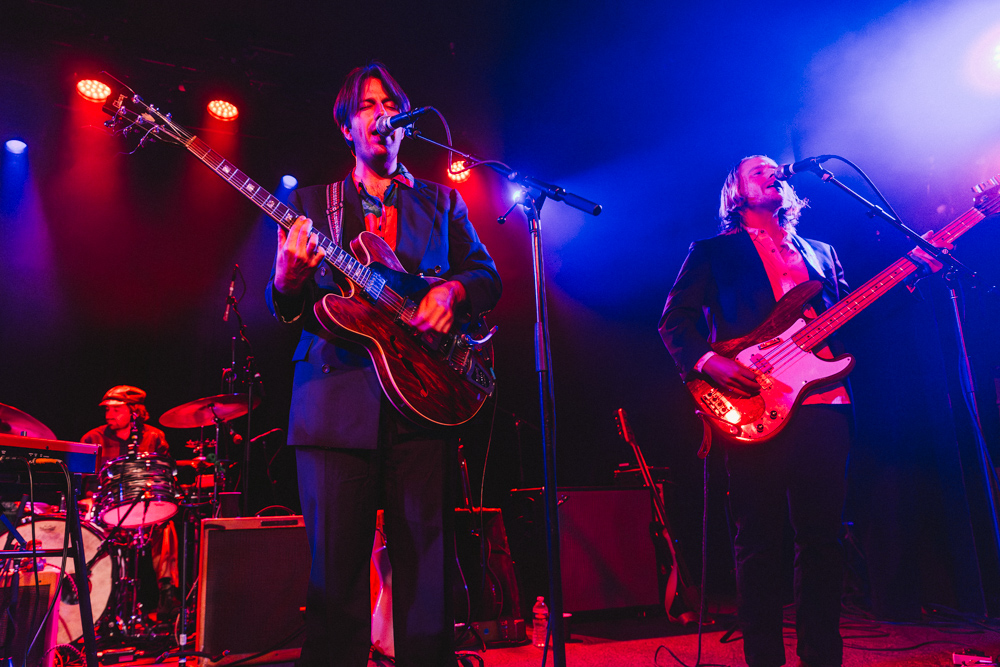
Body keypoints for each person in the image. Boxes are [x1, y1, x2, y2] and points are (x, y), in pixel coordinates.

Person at [658, 156, 944, 667]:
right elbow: (674, 322)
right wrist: (707, 363)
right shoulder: (714, 252)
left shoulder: (822, 254)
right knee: (759, 539)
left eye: (776, 168)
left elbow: (852, 326)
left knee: (823, 539)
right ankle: (764, 658)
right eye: (758, 170)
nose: (773, 173)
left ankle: (821, 658)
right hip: (751, 400)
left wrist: (910, 279)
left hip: (825, 405)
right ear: (736, 193)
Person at [267, 62, 501, 667]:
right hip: (333, 400)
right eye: (367, 105)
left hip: (422, 396)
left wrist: (451, 293)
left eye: (389, 104)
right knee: (334, 584)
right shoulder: (315, 205)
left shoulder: (442, 201)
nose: (380, 114)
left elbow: (486, 275)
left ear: (403, 123)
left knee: (427, 576)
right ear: (347, 125)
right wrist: (285, 282)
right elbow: (288, 308)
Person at [80, 385, 180, 624]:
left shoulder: (154, 437)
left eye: (116, 410)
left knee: (166, 525)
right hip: (105, 511)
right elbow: (83, 483)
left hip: (144, 507)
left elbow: (162, 477)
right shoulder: (92, 438)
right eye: (107, 410)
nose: (108, 415)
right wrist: (89, 497)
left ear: (134, 412)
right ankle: (95, 603)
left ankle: (167, 593)